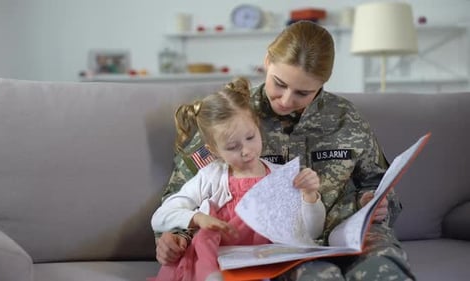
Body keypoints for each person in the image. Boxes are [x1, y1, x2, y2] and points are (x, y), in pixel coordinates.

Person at [155, 20, 416, 281]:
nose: (287, 100)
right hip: (274, 247)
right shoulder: (235, 117)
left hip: (347, 234)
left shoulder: (347, 119)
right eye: (279, 84)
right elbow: (183, 194)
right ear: (267, 61)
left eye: (303, 92)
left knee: (385, 269)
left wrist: (375, 202)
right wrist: (176, 236)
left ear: (323, 82)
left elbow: (380, 185)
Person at [150, 77, 326, 281]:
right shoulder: (210, 177)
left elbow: (312, 232)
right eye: (232, 147)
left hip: (265, 265)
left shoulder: (281, 177)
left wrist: (310, 196)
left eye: (250, 137)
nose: (246, 151)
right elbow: (160, 217)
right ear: (213, 150)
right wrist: (197, 218)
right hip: (216, 264)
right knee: (205, 238)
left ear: (257, 127)